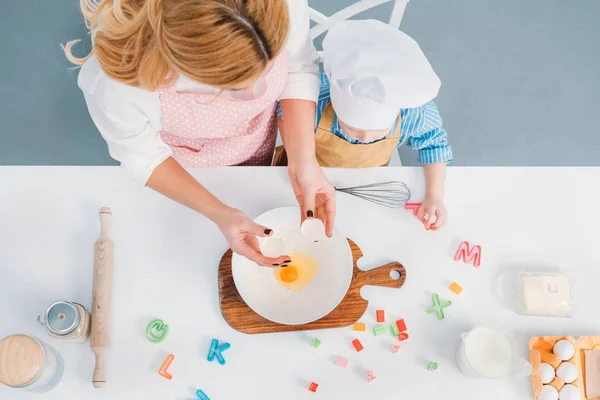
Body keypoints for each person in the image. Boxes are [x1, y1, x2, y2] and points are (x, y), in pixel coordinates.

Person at [63, 0, 336, 266]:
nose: (261, 92)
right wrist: (219, 213)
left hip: (256, 146)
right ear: (179, 67)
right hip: (186, 174)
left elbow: (298, 67)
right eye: (231, 87)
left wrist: (303, 160)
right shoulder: (119, 85)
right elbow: (144, 158)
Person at [276, 20, 452, 230]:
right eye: (352, 129)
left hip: (368, 182)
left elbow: (435, 145)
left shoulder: (412, 114)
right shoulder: (314, 103)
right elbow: (283, 113)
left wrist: (434, 196)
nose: (364, 139)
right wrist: (301, 158)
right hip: (302, 177)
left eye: (377, 133)